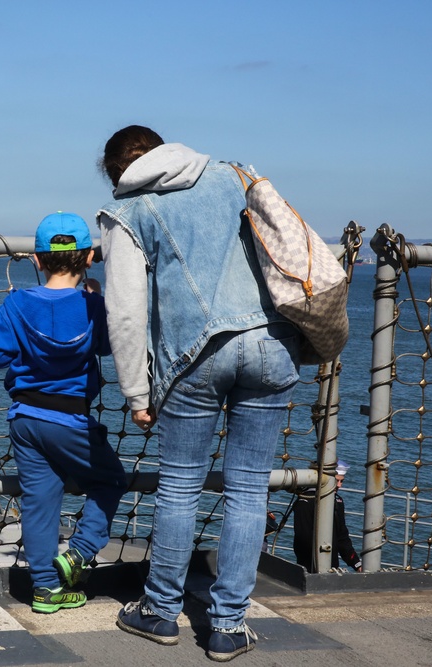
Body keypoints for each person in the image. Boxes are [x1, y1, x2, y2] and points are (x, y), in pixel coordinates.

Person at [98, 126, 300, 662]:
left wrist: (137, 392)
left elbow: (124, 311)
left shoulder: (128, 211)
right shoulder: (237, 175)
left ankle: (160, 612)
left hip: (196, 356)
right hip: (272, 342)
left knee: (181, 486)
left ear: (116, 171)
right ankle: (229, 626)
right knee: (250, 489)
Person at [0, 212, 127, 614]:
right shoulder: (93, 306)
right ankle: (79, 552)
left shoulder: (16, 303)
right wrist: (96, 299)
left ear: (37, 260)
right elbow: (106, 347)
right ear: (88, 259)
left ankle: (45, 589)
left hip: (26, 420)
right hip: (71, 420)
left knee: (39, 501)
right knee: (111, 479)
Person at [293, 460, 362, 573]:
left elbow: (342, 537)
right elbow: (302, 537)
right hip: (309, 565)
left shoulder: (338, 502)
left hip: (332, 565)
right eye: (337, 481)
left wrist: (357, 564)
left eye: (341, 481)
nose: (340, 485)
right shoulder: (305, 501)